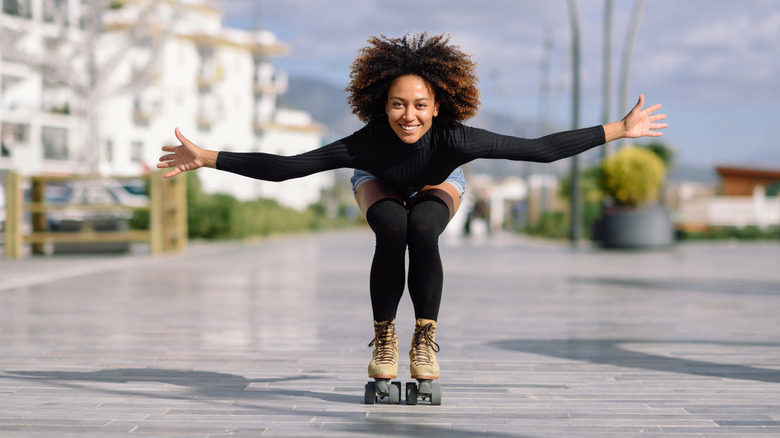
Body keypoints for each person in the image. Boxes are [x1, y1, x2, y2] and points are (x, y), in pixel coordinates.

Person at [158, 33, 667, 391]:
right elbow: (290, 167)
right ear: (383, 105)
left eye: (420, 105)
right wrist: (207, 157)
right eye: (399, 104)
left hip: (438, 182)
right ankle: (385, 341)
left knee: (422, 227)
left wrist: (619, 129)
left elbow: (539, 149)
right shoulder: (365, 144)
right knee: (391, 226)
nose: (410, 115)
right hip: (376, 182)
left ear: (438, 105)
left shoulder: (457, 138)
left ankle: (423, 341)